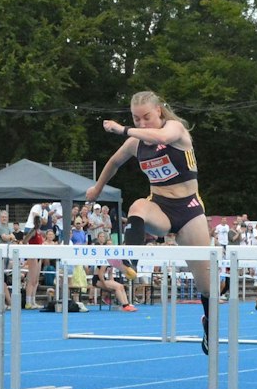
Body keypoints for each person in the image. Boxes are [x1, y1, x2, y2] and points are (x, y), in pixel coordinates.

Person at [89, 91, 216, 352]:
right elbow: (114, 162)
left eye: (146, 117)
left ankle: (208, 323)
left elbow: (161, 137)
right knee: (137, 206)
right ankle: (129, 259)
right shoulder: (136, 142)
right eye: (136, 119)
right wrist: (97, 188)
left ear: (159, 110)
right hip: (160, 206)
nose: (142, 123)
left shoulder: (175, 129)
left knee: (207, 286)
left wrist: (124, 129)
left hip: (189, 209)